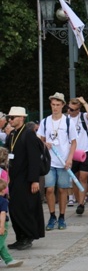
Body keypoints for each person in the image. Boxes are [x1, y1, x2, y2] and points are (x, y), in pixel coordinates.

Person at [37, 92, 78, 231]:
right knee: (49, 189)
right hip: (49, 161)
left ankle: (62, 216)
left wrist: (70, 158)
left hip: (63, 161)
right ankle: (52, 215)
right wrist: (44, 144)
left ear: (62, 105)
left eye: (58, 105)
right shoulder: (45, 121)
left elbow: (73, 142)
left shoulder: (68, 121)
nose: (55, 107)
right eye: (53, 105)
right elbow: (39, 139)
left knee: (62, 189)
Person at [5, 107, 43, 250]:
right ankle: (19, 236)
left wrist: (34, 180)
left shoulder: (29, 134)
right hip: (14, 177)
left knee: (24, 208)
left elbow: (34, 159)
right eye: (9, 117)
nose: (10, 120)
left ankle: (28, 236)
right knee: (14, 208)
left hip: (26, 178)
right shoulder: (12, 134)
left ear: (21, 118)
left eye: (13, 117)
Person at [66, 97, 88, 215]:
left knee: (83, 177)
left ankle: (81, 203)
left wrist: (84, 102)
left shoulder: (82, 117)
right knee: (74, 177)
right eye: (69, 108)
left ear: (78, 110)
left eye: (73, 110)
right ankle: (78, 200)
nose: (70, 111)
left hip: (84, 150)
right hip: (71, 152)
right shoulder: (65, 120)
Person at [0, 179, 22, 267]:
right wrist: (2, 226)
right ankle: (9, 260)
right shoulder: (3, 201)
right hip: (2, 224)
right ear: (3, 190)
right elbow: (2, 213)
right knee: (0, 242)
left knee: (1, 243)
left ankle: (9, 260)